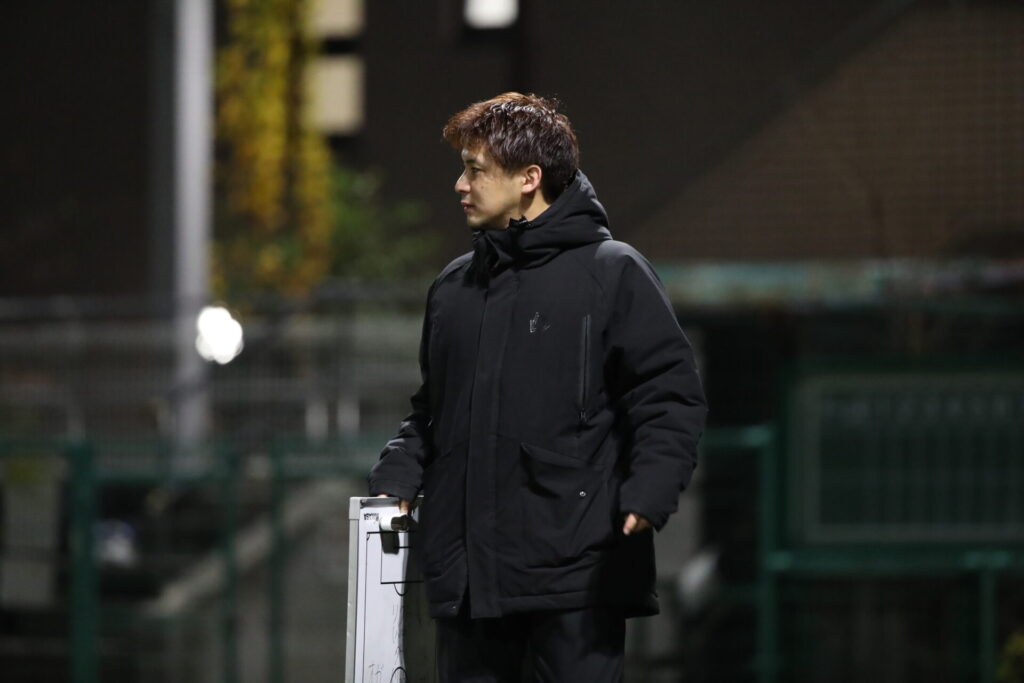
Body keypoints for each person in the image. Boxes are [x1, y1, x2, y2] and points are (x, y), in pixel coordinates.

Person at [368, 92, 707, 682]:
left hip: (577, 576)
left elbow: (668, 396)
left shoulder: (613, 272)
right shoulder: (453, 288)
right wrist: (399, 468)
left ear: (529, 178)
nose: (459, 185)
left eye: (475, 170)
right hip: (468, 584)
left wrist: (650, 491)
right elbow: (432, 410)